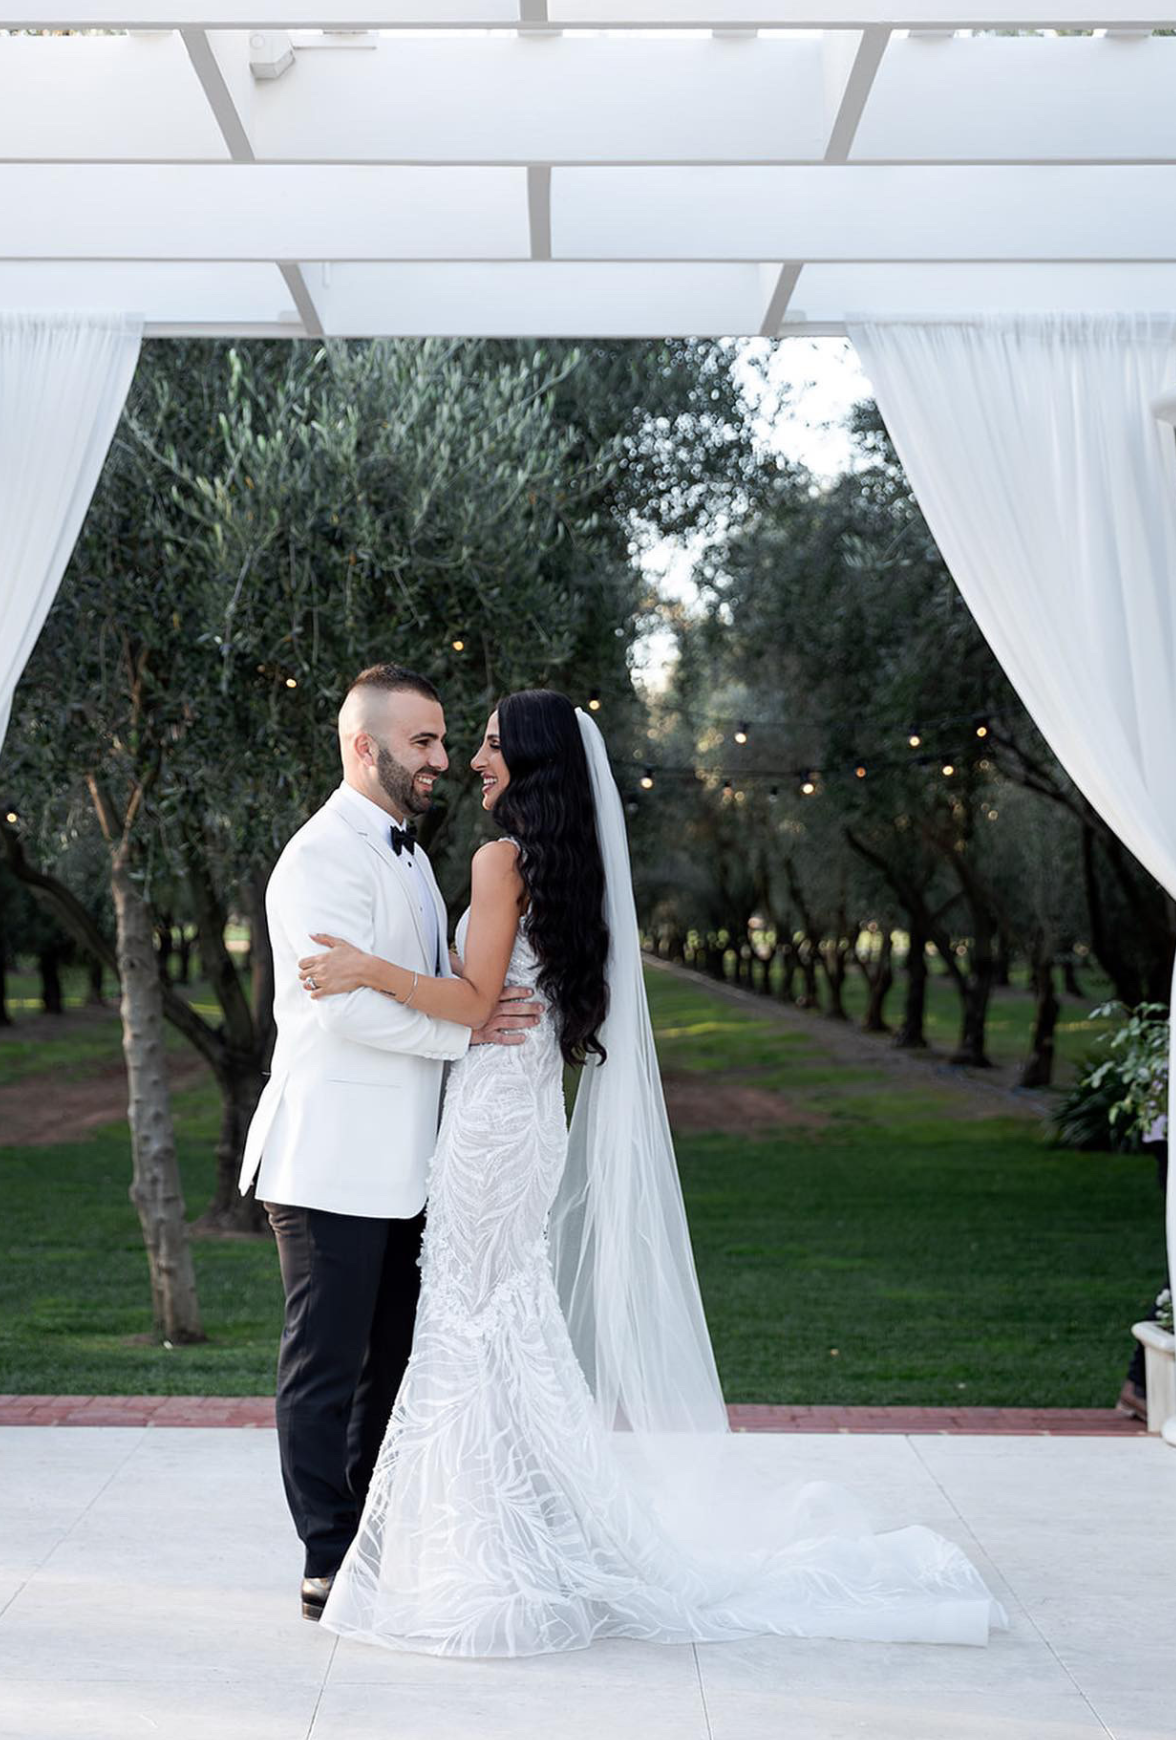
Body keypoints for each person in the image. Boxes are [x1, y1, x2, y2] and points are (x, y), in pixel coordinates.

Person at [296, 688, 1008, 1658]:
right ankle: (509, 1530)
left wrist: (365, 970)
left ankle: (480, 1549)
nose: (473, 761)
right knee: (500, 1313)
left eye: (495, 746)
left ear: (537, 762)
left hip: (490, 1118)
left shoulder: (499, 860)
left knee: (470, 1314)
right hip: (523, 1112)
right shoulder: (567, 866)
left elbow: (470, 1001)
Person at [237, 664, 541, 1624]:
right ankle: (325, 1555)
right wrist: (465, 1029)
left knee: (392, 1361)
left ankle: (369, 1536)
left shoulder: (408, 853)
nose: (444, 761)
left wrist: (468, 1007)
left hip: (408, 1165)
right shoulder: (319, 857)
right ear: (364, 748)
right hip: (329, 1158)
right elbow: (344, 1013)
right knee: (324, 1367)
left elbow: (415, 978)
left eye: (447, 742)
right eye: (424, 743)